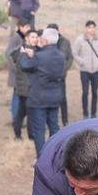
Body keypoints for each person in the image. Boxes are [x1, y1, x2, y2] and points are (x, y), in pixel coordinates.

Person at [20, 27, 65, 157]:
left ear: (44, 40)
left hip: (39, 98)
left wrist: (24, 53)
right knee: (54, 127)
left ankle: (42, 157)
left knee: (39, 130)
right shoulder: (61, 56)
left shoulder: (39, 57)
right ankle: (55, 155)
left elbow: (25, 66)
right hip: (55, 97)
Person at [5, 18, 33, 139]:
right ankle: (16, 120)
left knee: (19, 98)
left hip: (21, 75)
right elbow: (8, 54)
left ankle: (18, 120)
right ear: (21, 27)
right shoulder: (16, 37)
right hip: (17, 75)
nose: (28, 29)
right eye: (26, 27)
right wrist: (16, 68)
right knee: (17, 98)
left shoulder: (22, 37)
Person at [71, 21, 98, 119]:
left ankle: (93, 113)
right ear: (86, 28)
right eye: (89, 27)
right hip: (84, 70)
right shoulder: (80, 40)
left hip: (96, 70)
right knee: (85, 92)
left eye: (93, 27)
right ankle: (85, 112)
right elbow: (74, 53)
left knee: (95, 92)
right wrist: (82, 62)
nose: (91, 29)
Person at [47, 23, 74, 126]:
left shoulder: (65, 42)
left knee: (62, 98)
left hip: (61, 76)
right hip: (48, 76)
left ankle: (65, 120)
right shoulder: (45, 42)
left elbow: (70, 58)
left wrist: (64, 70)